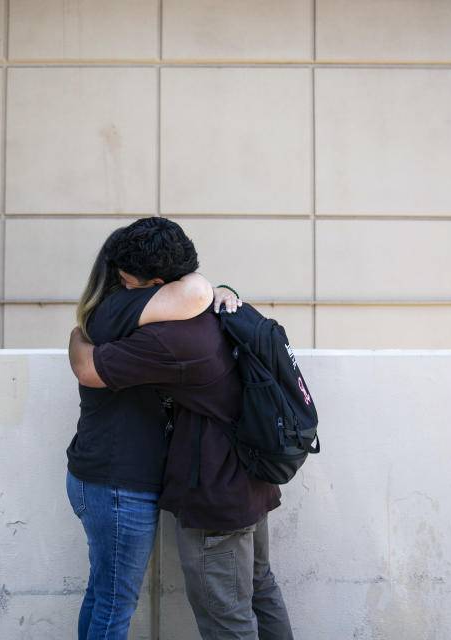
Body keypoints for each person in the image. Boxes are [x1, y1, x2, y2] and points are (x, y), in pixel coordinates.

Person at [69, 217, 294, 640]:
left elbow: (88, 366)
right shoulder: (223, 309)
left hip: (214, 494)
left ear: (157, 283)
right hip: (250, 477)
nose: (123, 291)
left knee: (228, 623)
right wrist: (213, 288)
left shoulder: (171, 339)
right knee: (261, 592)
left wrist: (77, 336)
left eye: (126, 282)